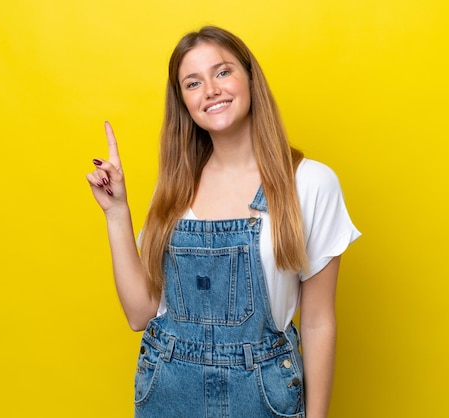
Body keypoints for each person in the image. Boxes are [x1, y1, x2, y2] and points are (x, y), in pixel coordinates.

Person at [87, 26, 360, 418]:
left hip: (264, 397)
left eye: (223, 72)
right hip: (169, 392)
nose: (211, 90)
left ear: (250, 77)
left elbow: (318, 322)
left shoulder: (310, 183)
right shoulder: (174, 190)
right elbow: (139, 312)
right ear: (183, 102)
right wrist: (117, 212)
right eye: (193, 82)